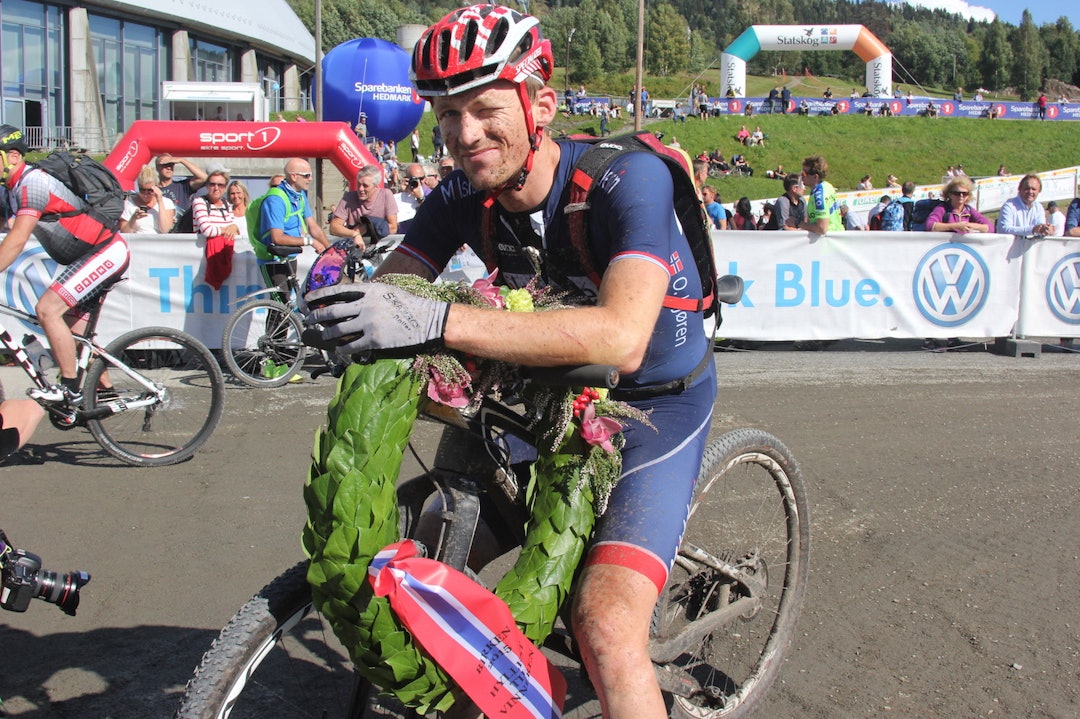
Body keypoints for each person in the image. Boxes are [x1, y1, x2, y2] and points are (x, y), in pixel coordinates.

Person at [303, 7, 717, 718]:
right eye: (448, 116)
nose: (465, 135)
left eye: (485, 110)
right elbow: (397, 286)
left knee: (605, 626)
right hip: (536, 393)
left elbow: (621, 337)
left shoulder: (626, 182)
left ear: (541, 106)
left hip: (650, 402)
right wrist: (337, 314)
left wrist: (439, 318)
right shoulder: (460, 194)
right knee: (428, 541)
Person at [0, 124, 130, 407]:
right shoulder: (11, 189)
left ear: (12, 157)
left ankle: (69, 389)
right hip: (90, 253)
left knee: (47, 310)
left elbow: (17, 238)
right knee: (73, 329)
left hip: (105, 250)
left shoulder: (31, 183)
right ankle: (105, 391)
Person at [256, 158, 330, 298]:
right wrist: (310, 241)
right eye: (307, 175)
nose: (311, 178)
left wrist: (330, 251)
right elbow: (277, 237)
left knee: (288, 303)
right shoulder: (276, 199)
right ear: (294, 176)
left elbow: (313, 226)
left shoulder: (300, 195)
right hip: (272, 258)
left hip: (289, 255)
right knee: (280, 305)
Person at [328, 164, 398, 244]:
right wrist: (355, 234)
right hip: (354, 246)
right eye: (358, 184)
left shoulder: (386, 195)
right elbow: (334, 227)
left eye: (365, 186)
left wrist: (367, 228)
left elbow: (393, 227)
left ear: (376, 186)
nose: (360, 189)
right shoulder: (349, 197)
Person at [926, 176, 992, 234]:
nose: (961, 196)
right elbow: (930, 225)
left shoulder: (969, 210)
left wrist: (970, 226)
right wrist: (956, 226)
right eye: (957, 193)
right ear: (950, 195)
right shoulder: (942, 208)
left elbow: (990, 228)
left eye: (964, 193)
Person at [122, 164, 176, 234]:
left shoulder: (167, 203)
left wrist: (160, 200)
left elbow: (164, 230)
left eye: (150, 190)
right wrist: (134, 218)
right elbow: (124, 232)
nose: (146, 194)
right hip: (137, 242)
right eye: (142, 190)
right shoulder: (129, 203)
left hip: (159, 242)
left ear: (156, 187)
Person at [800, 154, 844, 234]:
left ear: (815, 177)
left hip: (828, 240)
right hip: (835, 235)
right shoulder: (826, 186)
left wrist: (799, 223)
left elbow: (822, 229)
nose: (801, 176)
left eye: (804, 174)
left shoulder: (819, 195)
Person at [395, 163, 431, 232]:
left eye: (421, 178)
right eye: (413, 179)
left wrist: (420, 198)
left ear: (425, 179)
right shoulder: (404, 194)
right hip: (405, 234)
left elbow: (431, 216)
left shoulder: (431, 194)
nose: (417, 182)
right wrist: (401, 193)